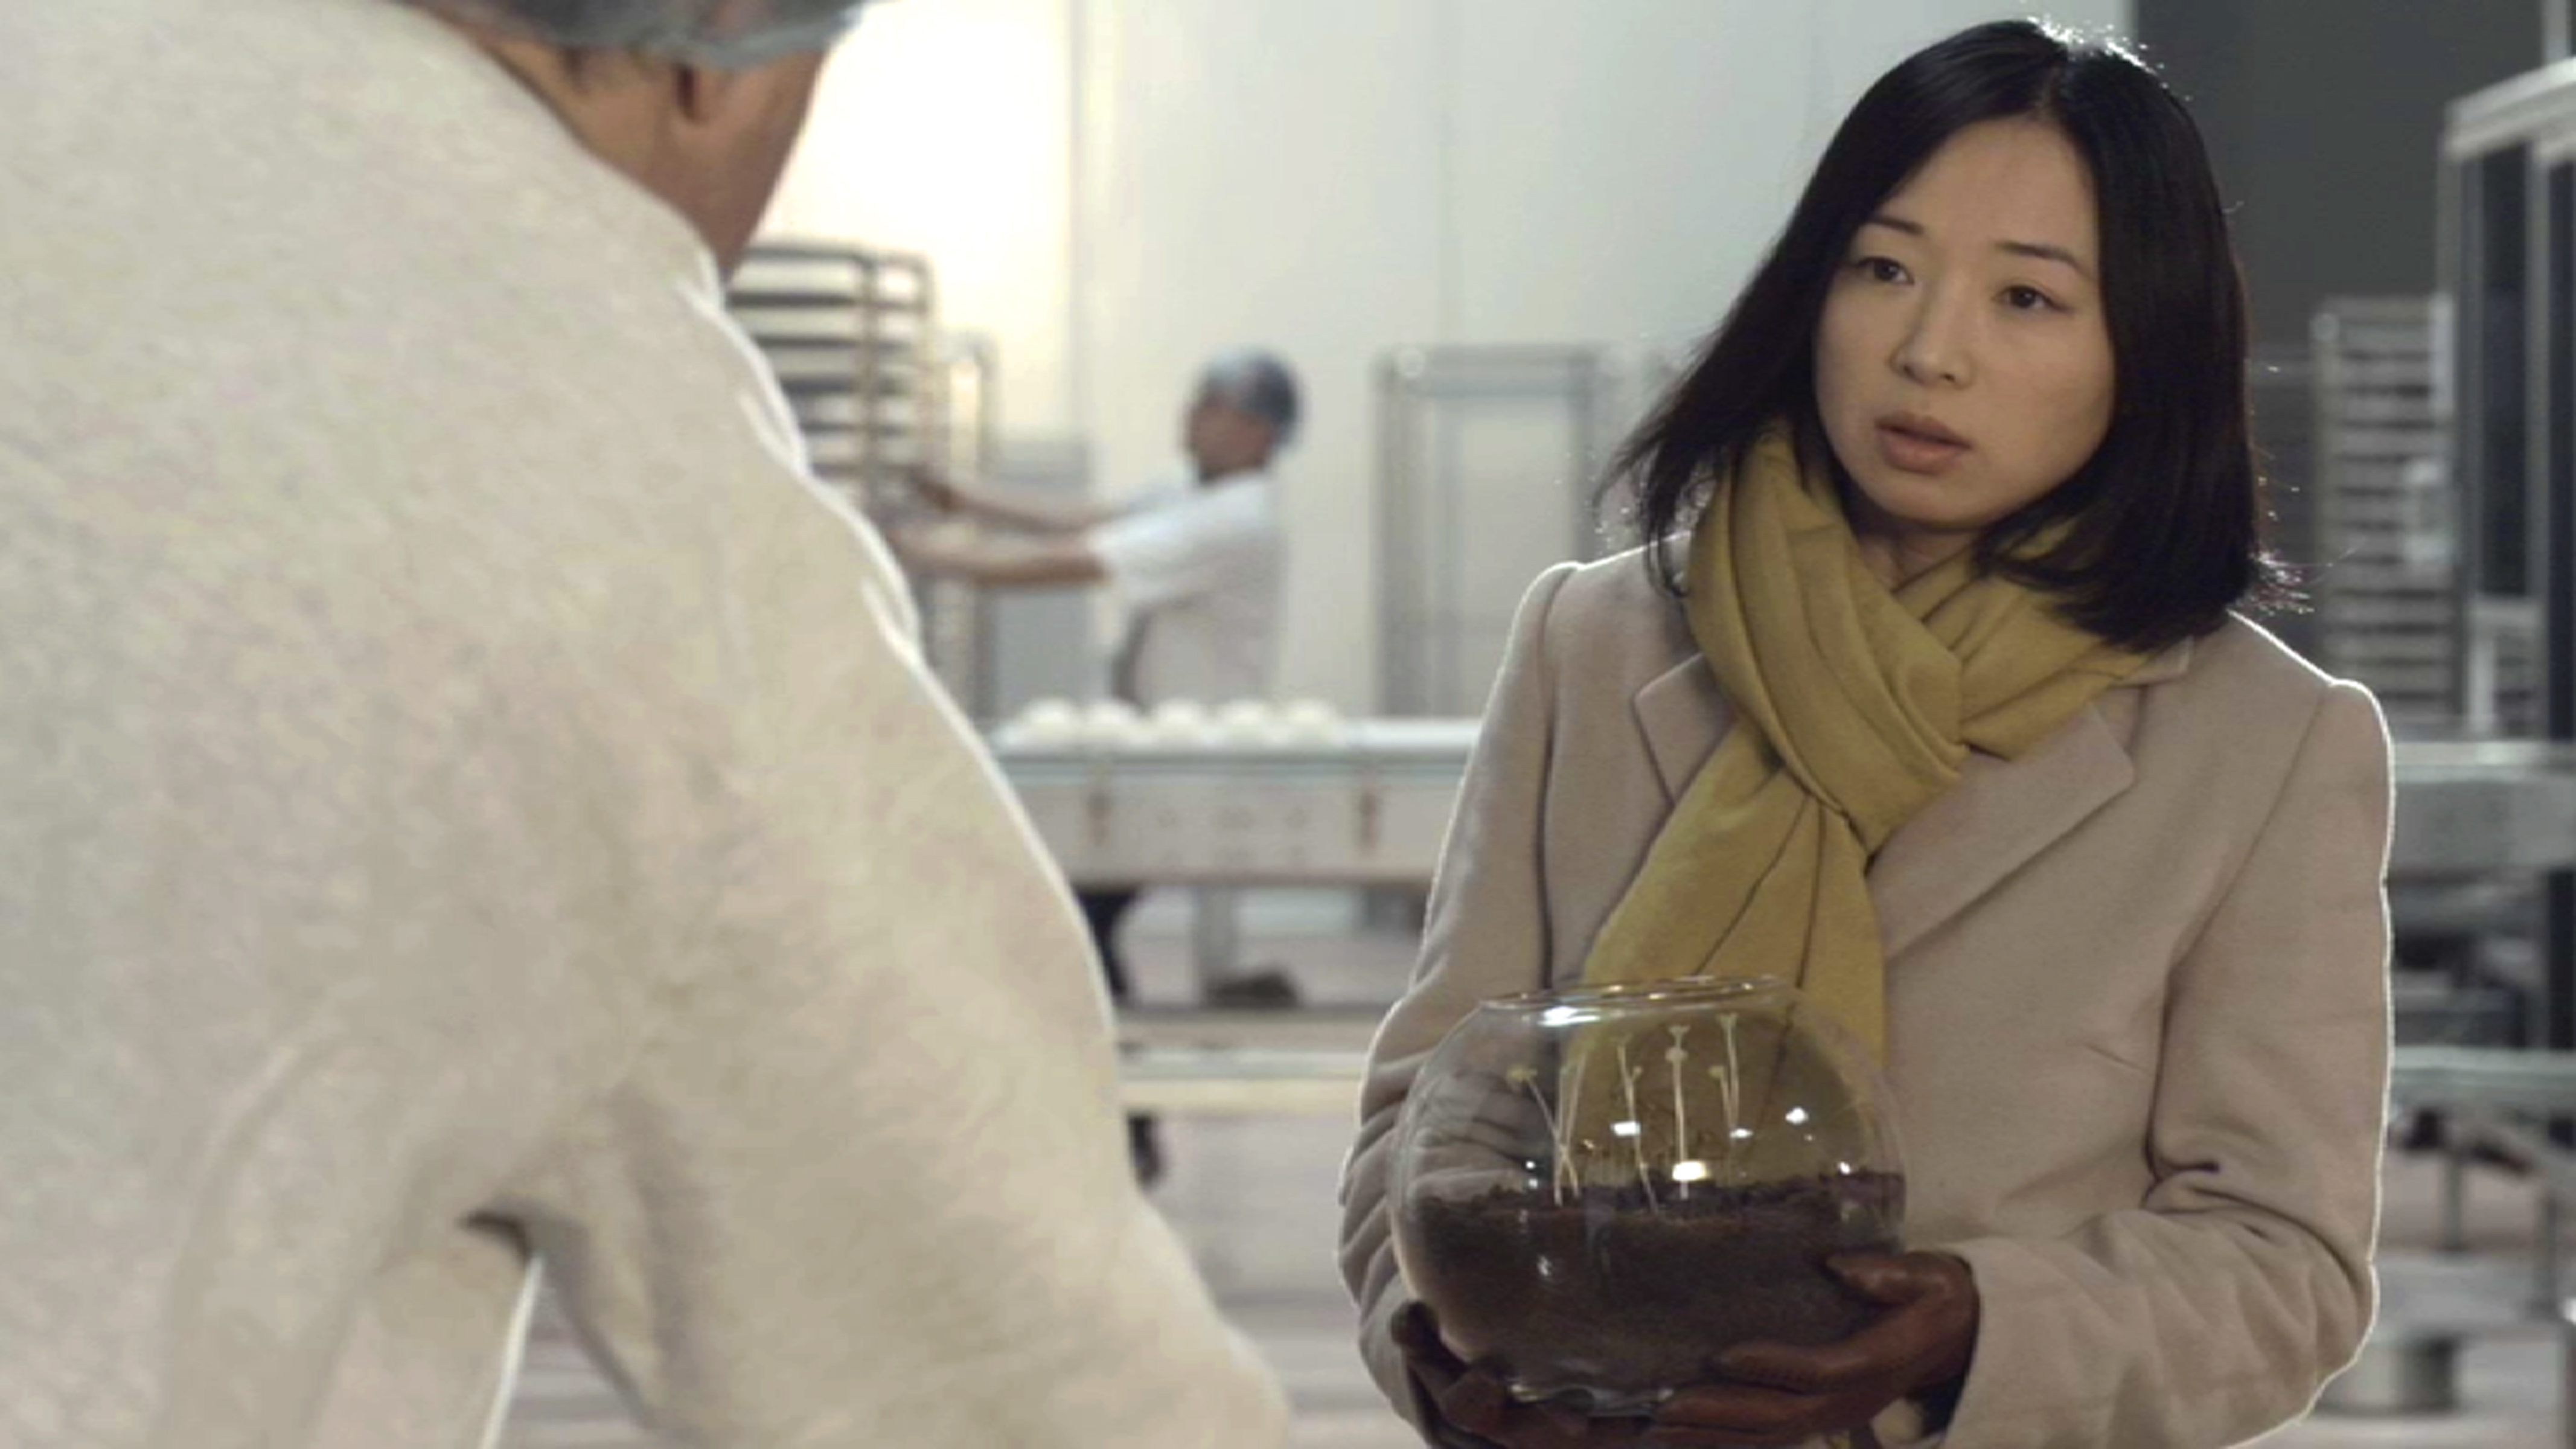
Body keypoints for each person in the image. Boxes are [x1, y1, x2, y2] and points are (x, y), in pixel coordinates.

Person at [0, 2, 1287, 1447]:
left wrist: (947, 531)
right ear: (720, 56)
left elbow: (1088, 539)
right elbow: (1041, 1390)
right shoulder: (620, 485)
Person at [1337, 20, 2391, 1449]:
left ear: (2144, 347)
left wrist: (1971, 1336)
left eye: (2026, 299)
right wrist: (1443, 1355)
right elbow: (1427, 1122)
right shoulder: (1593, 644)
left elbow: (2284, 1267)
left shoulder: (2266, 745)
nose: (1928, 352)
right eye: (1882, 269)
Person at [897, 353, 1300, 1179]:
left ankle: (1126, 1121)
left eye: (1213, 406)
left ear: (1260, 432)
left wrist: (913, 554)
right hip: (1147, 760)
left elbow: (1072, 561)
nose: (1192, 416)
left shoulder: (1239, 519)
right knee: (1082, 921)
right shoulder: (1192, 490)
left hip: (1187, 771)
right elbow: (1083, 520)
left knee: (1079, 921)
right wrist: (964, 500)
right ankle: (1123, 1121)